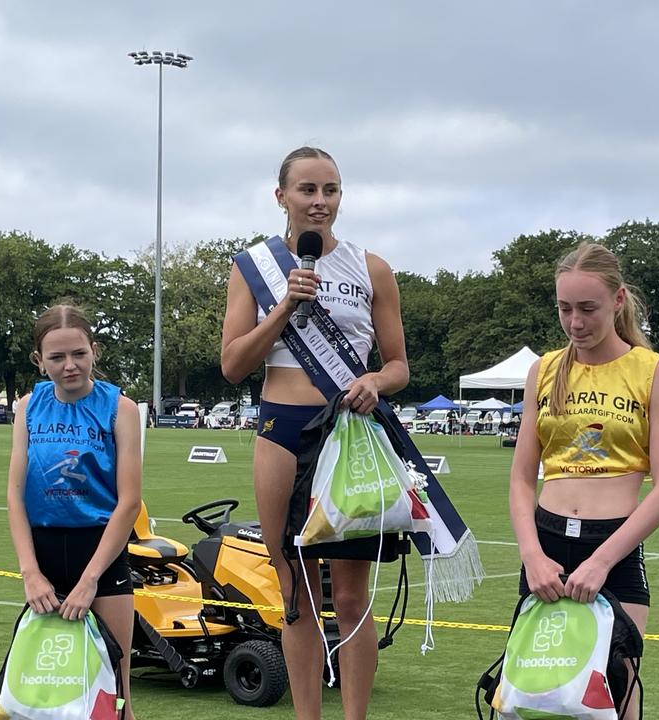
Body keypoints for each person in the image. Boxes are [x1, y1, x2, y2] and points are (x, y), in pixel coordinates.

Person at [220, 146, 410, 720]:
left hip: (348, 434)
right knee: (294, 595)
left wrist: (376, 381)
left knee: (350, 597)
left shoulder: (370, 267)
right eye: (307, 190)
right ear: (281, 196)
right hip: (281, 428)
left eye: (330, 190)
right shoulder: (252, 267)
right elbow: (232, 364)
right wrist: (281, 309)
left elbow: (400, 365)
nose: (320, 201)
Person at [508, 243, 659, 720]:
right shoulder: (542, 371)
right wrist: (532, 556)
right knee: (539, 689)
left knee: (617, 686)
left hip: (614, 546)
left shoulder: (653, 371)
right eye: (565, 309)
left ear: (618, 299)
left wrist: (603, 561)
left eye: (588, 309)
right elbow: (523, 479)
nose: (575, 322)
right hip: (545, 545)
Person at [5, 303, 141, 720]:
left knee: (114, 697)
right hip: (43, 557)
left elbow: (129, 502)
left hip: (100, 553)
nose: (70, 366)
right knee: (41, 694)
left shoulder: (121, 409)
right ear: (38, 360)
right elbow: (15, 495)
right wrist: (30, 573)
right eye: (57, 357)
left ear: (94, 351)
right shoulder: (29, 406)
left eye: (79, 354)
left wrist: (89, 582)